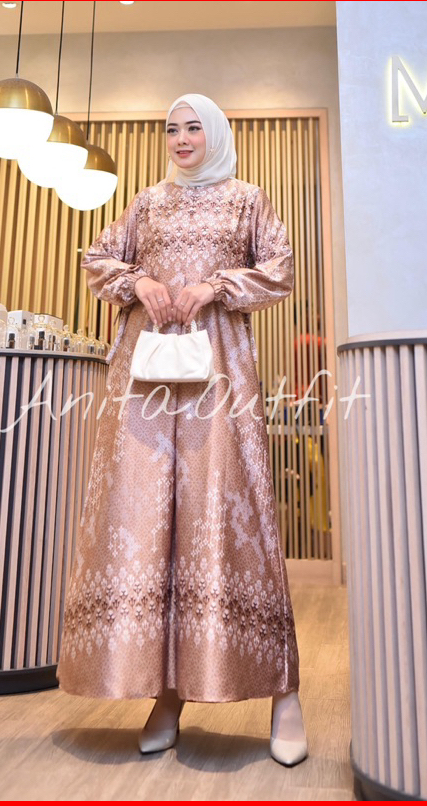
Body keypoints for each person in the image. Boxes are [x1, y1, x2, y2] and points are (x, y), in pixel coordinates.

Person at [56, 94, 308, 767]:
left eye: (194, 127)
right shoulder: (147, 202)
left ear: (216, 133)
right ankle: (166, 694)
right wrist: (138, 282)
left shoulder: (248, 199)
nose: (181, 138)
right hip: (146, 379)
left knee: (228, 514)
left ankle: (283, 691)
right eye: (172, 129)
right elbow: (97, 258)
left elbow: (279, 270)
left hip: (217, 372)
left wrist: (216, 286)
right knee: (150, 523)